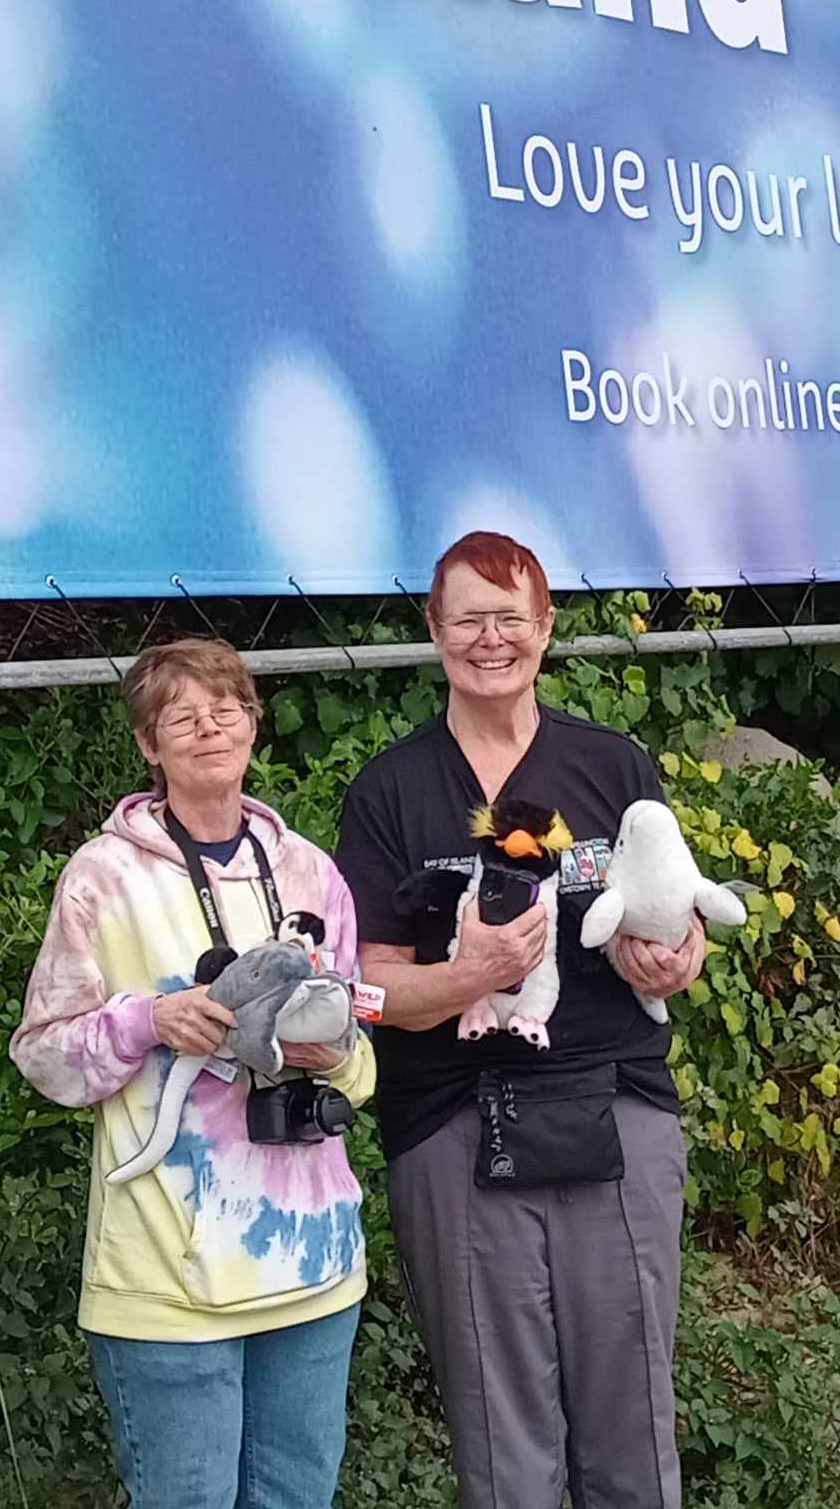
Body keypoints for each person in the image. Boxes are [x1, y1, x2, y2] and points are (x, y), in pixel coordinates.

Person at [335, 531, 706, 1509]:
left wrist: (676, 955)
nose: (490, 638)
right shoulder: (388, 791)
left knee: (633, 1427)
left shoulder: (611, 764)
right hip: (454, 1123)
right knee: (504, 1450)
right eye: (468, 619)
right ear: (434, 631)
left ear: (545, 628)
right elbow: (365, 988)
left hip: (615, 1110)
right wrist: (468, 977)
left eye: (510, 617)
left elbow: (674, 914)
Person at [11, 637, 376, 1509]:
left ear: (253, 723)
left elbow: (361, 1064)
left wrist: (333, 1054)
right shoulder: (101, 878)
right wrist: (149, 1020)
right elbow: (44, 1055)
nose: (210, 728)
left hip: (315, 1267)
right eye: (182, 717)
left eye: (227, 709)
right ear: (149, 744)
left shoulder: (312, 872)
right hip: (166, 1281)